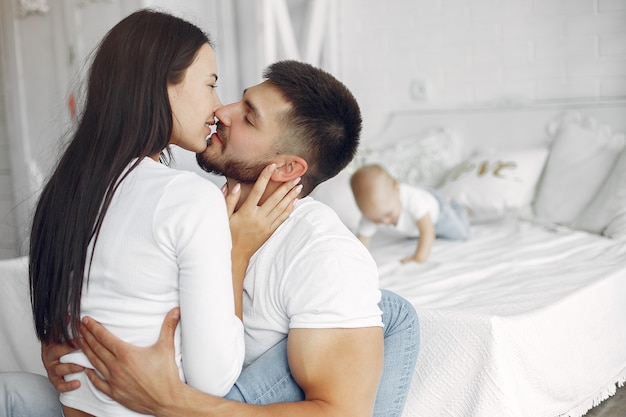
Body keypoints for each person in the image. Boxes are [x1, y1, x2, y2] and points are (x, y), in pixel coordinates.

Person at [1, 61, 419, 416]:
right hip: (124, 394)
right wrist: (69, 351)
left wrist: (171, 401)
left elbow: (340, 411)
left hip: (188, 400)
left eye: (248, 116)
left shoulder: (322, 253)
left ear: (289, 168)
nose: (222, 111)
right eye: (237, 97)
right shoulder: (182, 203)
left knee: (394, 312)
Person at [27, 9, 299, 417]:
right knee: (392, 316)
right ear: (161, 85)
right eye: (210, 85)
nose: (217, 108)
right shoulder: (188, 198)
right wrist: (236, 253)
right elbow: (214, 381)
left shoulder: (66, 191)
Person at [351, 163, 470, 263]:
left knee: (462, 233)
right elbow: (363, 239)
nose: (385, 222)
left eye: (389, 214)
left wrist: (418, 257)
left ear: (396, 189)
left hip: (438, 213)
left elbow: (428, 231)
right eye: (376, 221)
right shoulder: (374, 212)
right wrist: (356, 260)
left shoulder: (413, 199)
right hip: (416, 223)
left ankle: (457, 207)